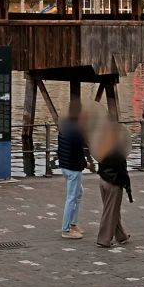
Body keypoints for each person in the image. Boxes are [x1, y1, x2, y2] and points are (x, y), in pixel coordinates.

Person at [95, 124, 133, 248]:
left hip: (103, 180)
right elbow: (122, 171)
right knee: (110, 211)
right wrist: (126, 184)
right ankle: (103, 239)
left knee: (112, 209)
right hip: (113, 183)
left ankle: (121, 236)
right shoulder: (118, 151)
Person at [57, 100, 91, 239]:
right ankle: (66, 229)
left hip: (65, 165)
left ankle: (73, 223)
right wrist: (85, 164)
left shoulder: (64, 127)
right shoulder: (77, 131)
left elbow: (62, 148)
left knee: (79, 193)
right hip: (73, 168)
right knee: (71, 198)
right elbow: (78, 152)